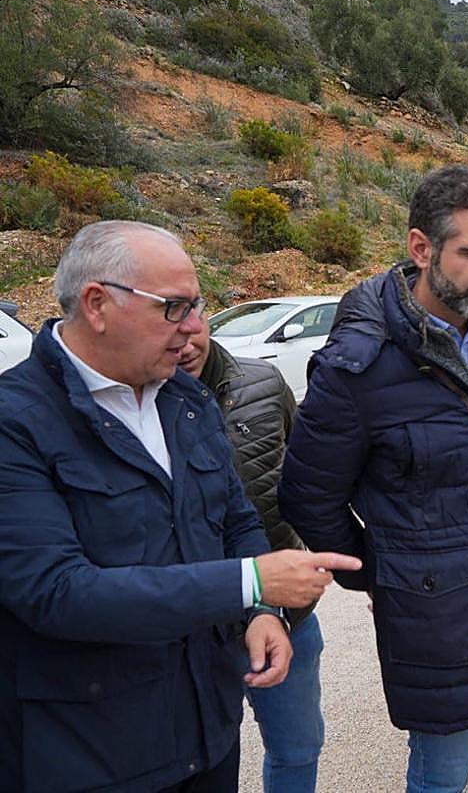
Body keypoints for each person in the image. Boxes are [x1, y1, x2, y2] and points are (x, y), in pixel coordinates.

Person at [0, 221, 357, 793]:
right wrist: (249, 581)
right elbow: (56, 592)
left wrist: (261, 611)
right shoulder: (15, 421)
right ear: (97, 304)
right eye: (174, 308)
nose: (195, 329)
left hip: (206, 739)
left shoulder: (184, 399)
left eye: (198, 307)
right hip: (89, 754)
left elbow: (236, 518)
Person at [278, 165, 468, 793]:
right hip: (440, 617)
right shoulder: (356, 368)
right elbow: (308, 495)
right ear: (421, 249)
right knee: (441, 772)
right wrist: (387, 565)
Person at [181, 316, 326, 792]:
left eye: (192, 314)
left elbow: (304, 475)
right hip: (192, 621)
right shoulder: (136, 400)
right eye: (167, 316)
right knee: (201, 759)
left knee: (298, 747)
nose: (184, 339)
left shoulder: (264, 383)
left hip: (285, 613)